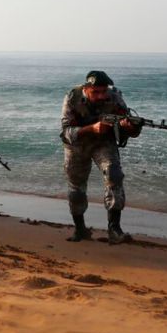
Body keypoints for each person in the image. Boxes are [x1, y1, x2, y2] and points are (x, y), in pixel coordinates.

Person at [59, 71, 142, 244]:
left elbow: (129, 129)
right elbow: (66, 132)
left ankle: (114, 229)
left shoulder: (115, 97)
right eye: (96, 92)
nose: (101, 96)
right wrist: (91, 128)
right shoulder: (73, 98)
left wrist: (130, 127)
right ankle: (80, 229)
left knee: (114, 175)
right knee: (76, 186)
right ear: (86, 89)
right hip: (77, 145)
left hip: (103, 142)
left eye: (104, 91)